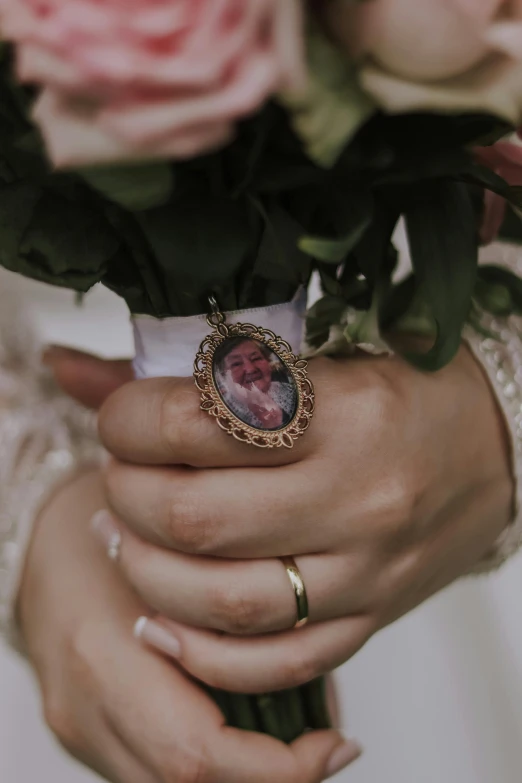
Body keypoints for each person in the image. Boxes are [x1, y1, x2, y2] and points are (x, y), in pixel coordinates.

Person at [2, 242, 522, 783]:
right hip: (89, 570)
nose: (250, 372)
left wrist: (499, 402)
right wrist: (35, 508)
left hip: (411, 404)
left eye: (256, 365)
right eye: (243, 366)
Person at [214, 337, 296, 430]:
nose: (250, 369)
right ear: (222, 375)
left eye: (256, 358)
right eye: (236, 364)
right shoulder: (221, 415)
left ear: (268, 361)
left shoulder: (290, 392)